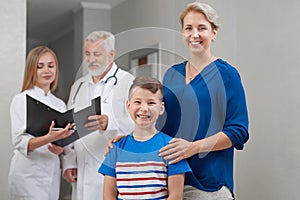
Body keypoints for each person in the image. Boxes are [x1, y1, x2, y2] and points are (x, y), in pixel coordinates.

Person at [157, 2, 249, 200]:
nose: (194, 34)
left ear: (214, 33)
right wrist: (127, 141)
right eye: (188, 28)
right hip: (172, 183)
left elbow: (238, 131)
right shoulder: (172, 75)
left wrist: (193, 147)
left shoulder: (227, 75)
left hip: (209, 186)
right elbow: (161, 127)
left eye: (202, 28)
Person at [61, 31, 135, 200]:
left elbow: (138, 126)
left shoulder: (127, 82)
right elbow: (68, 126)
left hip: (112, 170)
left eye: (97, 54)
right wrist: (69, 162)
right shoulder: (79, 85)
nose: (91, 59)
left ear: (112, 54)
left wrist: (110, 124)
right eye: (87, 54)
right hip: (81, 170)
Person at [99, 76, 191, 200]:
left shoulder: (172, 148)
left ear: (161, 108)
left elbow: (175, 196)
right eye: (137, 102)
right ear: (128, 105)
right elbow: (108, 196)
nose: (144, 108)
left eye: (151, 102)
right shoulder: (116, 148)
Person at [8, 46, 75, 200]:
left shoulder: (60, 105)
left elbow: (61, 144)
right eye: (40, 66)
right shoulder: (22, 100)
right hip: (27, 176)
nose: (47, 71)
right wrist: (49, 138)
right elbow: (19, 142)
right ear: (32, 69)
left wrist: (59, 148)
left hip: (51, 175)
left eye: (51, 66)